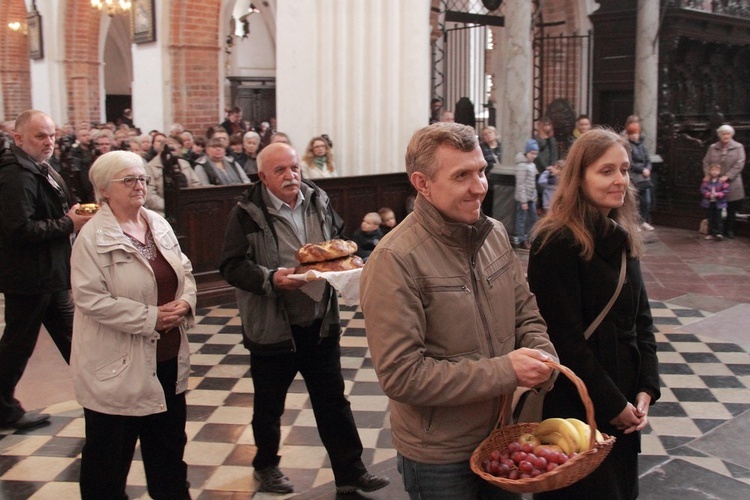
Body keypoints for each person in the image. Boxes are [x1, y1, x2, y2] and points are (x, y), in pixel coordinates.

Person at [360, 122, 556, 500]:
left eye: (481, 170)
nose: (480, 185)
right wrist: (506, 371)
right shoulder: (394, 259)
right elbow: (401, 376)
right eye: (462, 175)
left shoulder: (494, 233)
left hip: (504, 433)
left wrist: (542, 355)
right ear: (423, 183)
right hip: (440, 456)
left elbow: (525, 312)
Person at [219, 142, 390, 495]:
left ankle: (350, 472)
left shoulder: (318, 200)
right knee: (269, 407)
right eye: (280, 170)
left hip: (319, 319)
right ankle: (266, 465)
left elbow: (338, 240)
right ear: (263, 176)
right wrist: (270, 279)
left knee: (333, 400)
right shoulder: (246, 213)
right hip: (274, 328)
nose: (291, 176)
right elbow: (232, 266)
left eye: (294, 168)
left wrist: (345, 265)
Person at [527, 128, 660, 500]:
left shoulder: (621, 234)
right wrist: (612, 403)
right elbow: (562, 339)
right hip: (578, 399)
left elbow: (642, 319)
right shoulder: (556, 241)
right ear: (579, 177)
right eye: (606, 171)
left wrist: (646, 387)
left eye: (624, 169)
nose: (620, 180)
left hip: (625, 393)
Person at [70, 150, 196, 499]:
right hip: (116, 368)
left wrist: (187, 302)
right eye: (129, 179)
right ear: (104, 189)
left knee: (169, 456)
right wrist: (151, 318)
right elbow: (90, 299)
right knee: (108, 464)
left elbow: (184, 270)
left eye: (141, 177)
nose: (139, 185)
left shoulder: (158, 223)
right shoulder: (91, 239)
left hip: (167, 359)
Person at [0, 110, 92, 429]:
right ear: (19, 138)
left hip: (49, 273)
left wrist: (70, 214)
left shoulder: (39, 167)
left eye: (52, 135)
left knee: (72, 337)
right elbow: (19, 229)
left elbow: (47, 210)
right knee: (18, 344)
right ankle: (3, 408)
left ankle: (101, 396)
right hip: (29, 276)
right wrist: (68, 222)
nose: (49, 142)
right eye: (41, 136)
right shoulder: (16, 174)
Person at [702, 124, 745, 238]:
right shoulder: (713, 147)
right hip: (715, 183)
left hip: (732, 182)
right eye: (723, 134)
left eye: (728, 134)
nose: (726, 136)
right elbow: (706, 162)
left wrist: (728, 176)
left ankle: (729, 230)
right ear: (719, 135)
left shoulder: (738, 147)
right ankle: (715, 231)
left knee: (731, 208)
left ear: (732, 135)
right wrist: (708, 174)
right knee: (715, 208)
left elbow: (740, 164)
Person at [145, 137, 203, 216]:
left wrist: (190, 203)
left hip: (187, 209)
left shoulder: (184, 164)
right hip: (162, 212)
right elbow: (149, 196)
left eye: (175, 150)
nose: (173, 154)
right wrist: (172, 206)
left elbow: (196, 184)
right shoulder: (150, 168)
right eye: (170, 150)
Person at [625, 122, 654, 231]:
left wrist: (648, 169)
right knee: (634, 201)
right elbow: (629, 163)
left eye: (635, 133)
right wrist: (642, 169)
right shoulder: (628, 146)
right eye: (631, 133)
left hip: (645, 177)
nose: (634, 135)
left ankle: (643, 221)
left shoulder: (642, 146)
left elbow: (648, 160)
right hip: (635, 176)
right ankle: (634, 222)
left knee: (646, 201)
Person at [514, 139, 540, 249]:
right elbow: (521, 184)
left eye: (535, 153)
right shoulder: (522, 165)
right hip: (523, 198)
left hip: (530, 196)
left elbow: (532, 183)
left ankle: (531, 237)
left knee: (533, 218)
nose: (534, 156)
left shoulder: (532, 165)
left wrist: (534, 197)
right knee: (522, 218)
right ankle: (521, 239)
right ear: (527, 152)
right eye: (532, 153)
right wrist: (523, 200)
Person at [701, 163, 731, 241]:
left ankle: (719, 233)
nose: (714, 172)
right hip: (709, 202)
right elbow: (703, 189)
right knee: (710, 218)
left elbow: (726, 190)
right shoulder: (707, 181)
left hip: (719, 203)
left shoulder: (722, 182)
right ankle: (710, 233)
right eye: (713, 170)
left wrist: (718, 194)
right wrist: (708, 194)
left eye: (717, 170)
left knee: (719, 218)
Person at [480, 126, 502, 216]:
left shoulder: (503, 147)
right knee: (488, 207)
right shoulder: (481, 148)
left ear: (495, 134)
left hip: (501, 181)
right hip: (489, 181)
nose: (488, 135)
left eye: (490, 133)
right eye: (485, 134)